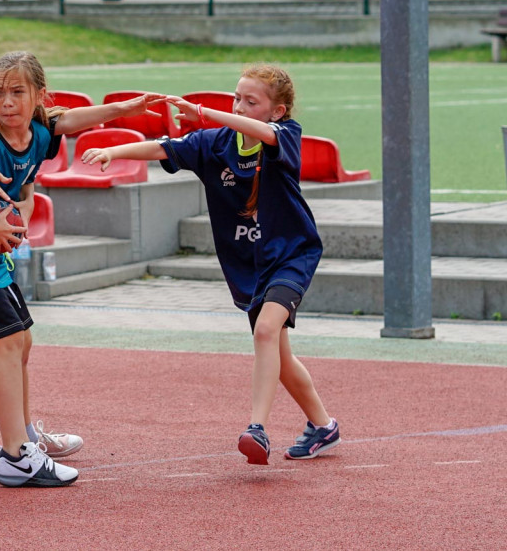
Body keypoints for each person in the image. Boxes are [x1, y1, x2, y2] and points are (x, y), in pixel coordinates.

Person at [0, 50, 167, 486]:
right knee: (10, 341)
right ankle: (17, 455)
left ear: (39, 98)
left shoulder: (37, 132)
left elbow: (69, 121)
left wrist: (123, 109)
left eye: (17, 92)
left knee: (17, 343)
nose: (6, 101)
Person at [80, 64, 339, 464]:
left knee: (266, 331)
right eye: (237, 98)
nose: (240, 106)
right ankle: (323, 426)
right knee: (279, 353)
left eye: (251, 102)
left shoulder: (286, 135)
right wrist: (113, 151)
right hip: (247, 262)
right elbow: (163, 148)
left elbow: (265, 134)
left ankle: (257, 427)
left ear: (278, 111)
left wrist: (204, 112)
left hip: (291, 253)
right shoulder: (213, 144)